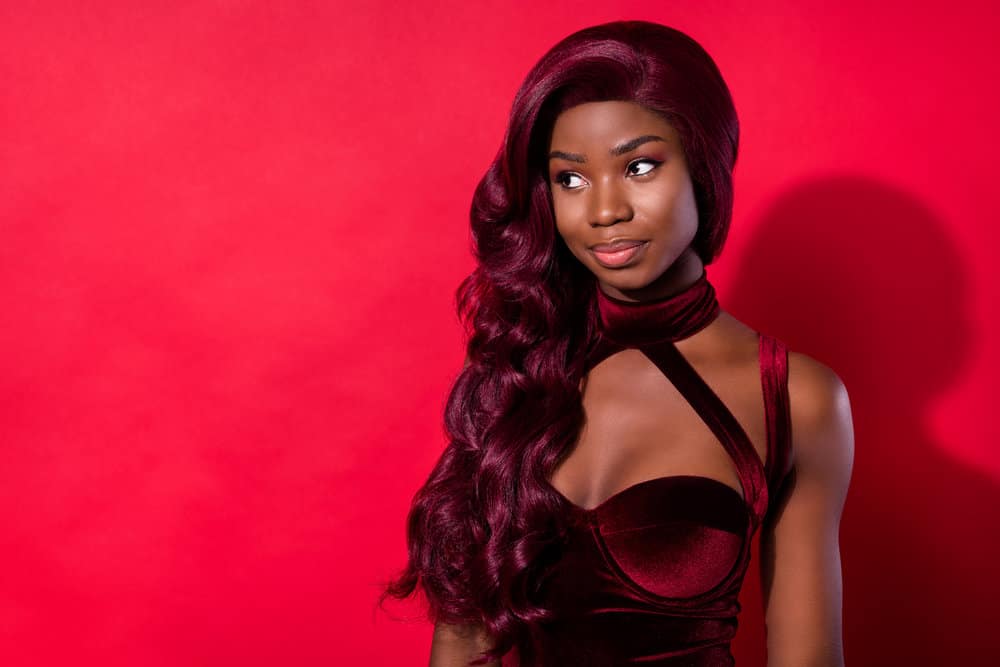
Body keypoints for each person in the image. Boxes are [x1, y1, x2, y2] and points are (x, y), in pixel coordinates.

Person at [382, 20, 854, 666]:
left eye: (638, 167)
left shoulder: (792, 396)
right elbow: (462, 644)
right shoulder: (520, 369)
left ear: (705, 169)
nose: (604, 211)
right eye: (571, 179)